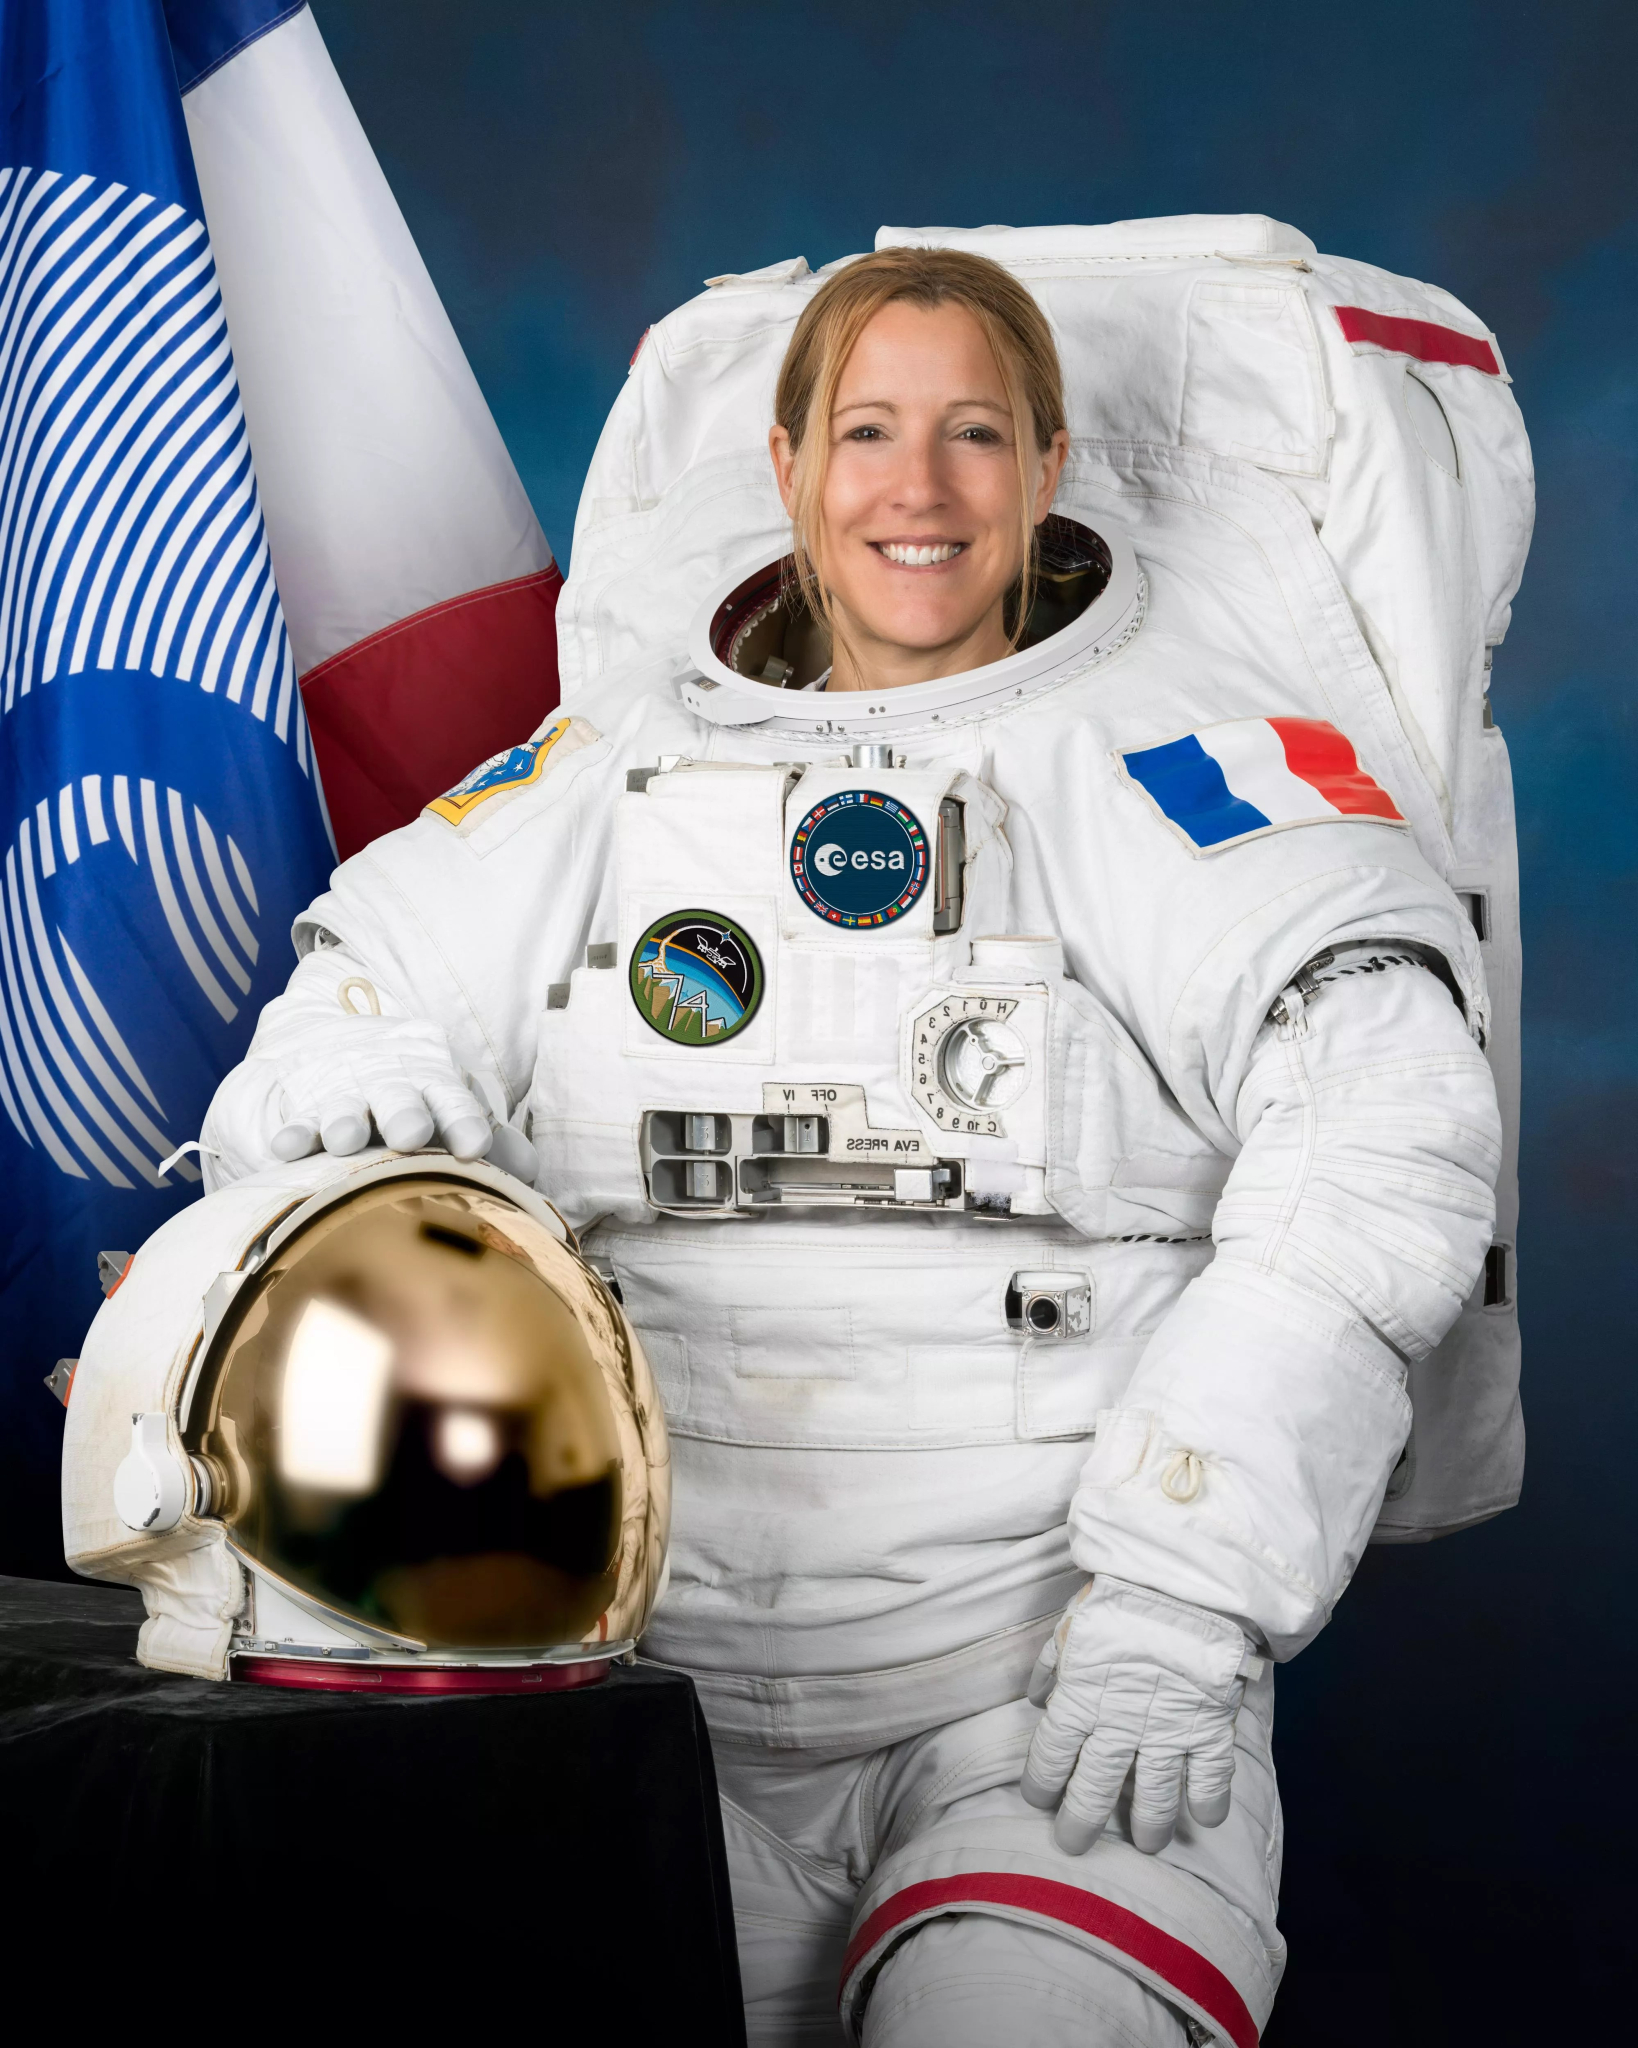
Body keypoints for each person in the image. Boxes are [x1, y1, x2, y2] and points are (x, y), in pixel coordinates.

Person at [202, 248, 1501, 2045]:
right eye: (870, 431)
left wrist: (1182, 1598)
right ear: (790, 464)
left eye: (975, 432)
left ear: (1046, 467)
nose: (920, 486)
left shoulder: (1177, 766)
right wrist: (341, 1090)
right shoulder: (608, 769)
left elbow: (1384, 1150)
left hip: (1044, 1704)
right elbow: (351, 1000)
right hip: (625, 1693)